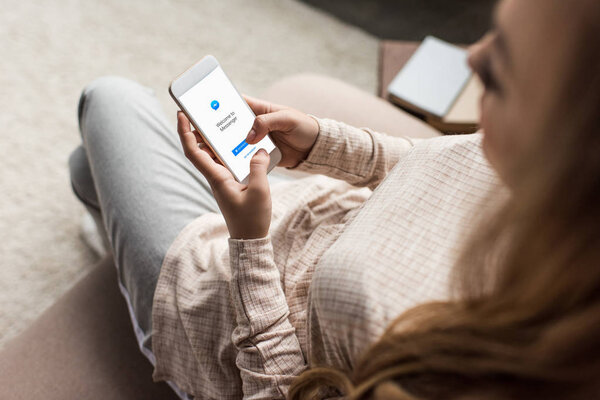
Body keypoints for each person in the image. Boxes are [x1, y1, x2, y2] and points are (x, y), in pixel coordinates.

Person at [69, 0, 600, 398]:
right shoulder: (549, 185)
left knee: (108, 98)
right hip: (306, 213)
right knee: (90, 166)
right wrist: (322, 144)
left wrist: (248, 241)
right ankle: (109, 222)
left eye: (499, 69)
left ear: (567, 146)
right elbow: (436, 166)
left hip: (224, 309)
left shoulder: (483, 366)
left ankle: (133, 287)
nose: (472, 58)